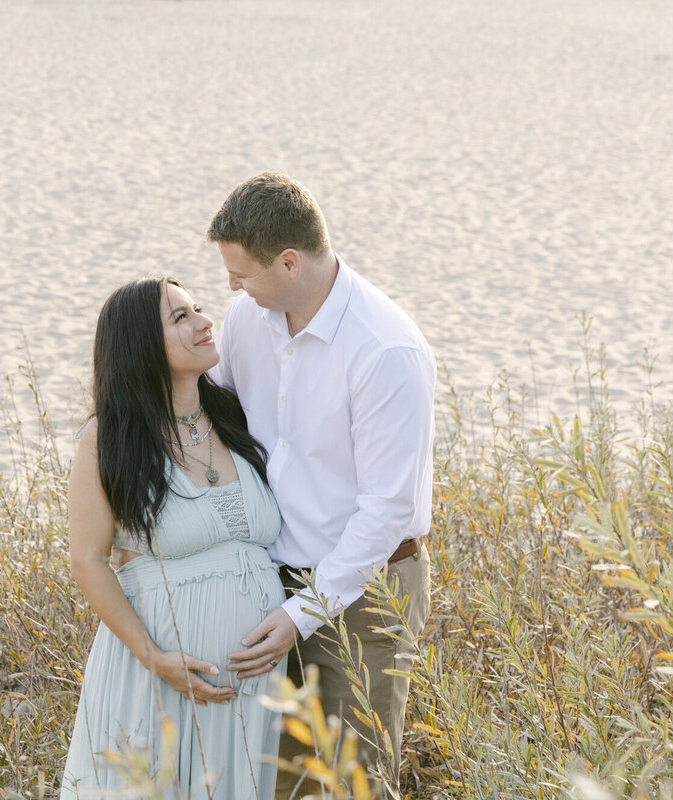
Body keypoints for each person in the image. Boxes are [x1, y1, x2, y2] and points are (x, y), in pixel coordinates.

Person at [207, 172, 435, 792]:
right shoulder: (245, 320)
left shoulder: (385, 350)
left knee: (350, 777)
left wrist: (303, 612)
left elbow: (386, 512)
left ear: (288, 263)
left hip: (368, 590)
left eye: (240, 273)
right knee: (272, 774)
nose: (230, 287)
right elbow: (211, 422)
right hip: (265, 581)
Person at [60, 276, 288, 799]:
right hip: (154, 676)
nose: (205, 323)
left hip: (248, 691)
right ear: (140, 344)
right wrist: (152, 656)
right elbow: (89, 560)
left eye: (199, 310)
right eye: (180, 317)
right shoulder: (107, 439)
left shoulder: (234, 415)